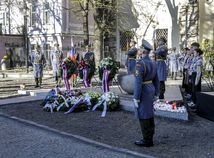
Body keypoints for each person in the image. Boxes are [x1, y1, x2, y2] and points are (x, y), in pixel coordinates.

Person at [133, 39, 159, 147]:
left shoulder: (140, 63)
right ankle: (150, 136)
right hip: (151, 89)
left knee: (143, 114)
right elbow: (156, 79)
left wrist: (136, 97)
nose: (139, 49)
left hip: (143, 90)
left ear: (143, 50)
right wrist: (156, 93)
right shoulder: (153, 62)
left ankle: (147, 140)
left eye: (140, 48)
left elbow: (138, 82)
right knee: (149, 114)